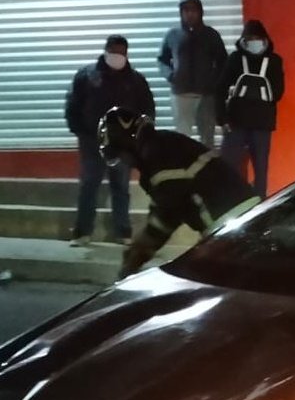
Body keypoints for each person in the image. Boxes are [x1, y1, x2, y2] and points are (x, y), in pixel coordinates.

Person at [98, 106, 258, 279]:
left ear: (126, 143)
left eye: (120, 153)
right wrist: (141, 249)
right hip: (242, 220)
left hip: (231, 225)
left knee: (195, 283)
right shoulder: (163, 145)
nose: (125, 162)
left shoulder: (158, 153)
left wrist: (139, 252)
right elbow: (169, 213)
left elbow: (168, 210)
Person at [64, 34, 155, 247]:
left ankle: (123, 231)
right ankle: (82, 232)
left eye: (122, 53)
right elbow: (73, 104)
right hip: (92, 140)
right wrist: (79, 130)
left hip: (122, 143)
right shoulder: (87, 76)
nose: (118, 56)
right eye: (114, 52)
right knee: (89, 185)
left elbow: (147, 108)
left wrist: (140, 134)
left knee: (121, 187)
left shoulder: (135, 80)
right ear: (106, 51)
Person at [218, 19, 285, 199]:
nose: (254, 41)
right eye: (250, 38)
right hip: (240, 123)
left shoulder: (273, 61)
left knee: (259, 169)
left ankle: (257, 205)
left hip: (256, 124)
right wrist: (221, 119)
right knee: (234, 168)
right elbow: (220, 89)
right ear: (244, 39)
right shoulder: (236, 59)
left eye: (257, 37)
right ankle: (237, 202)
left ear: (265, 39)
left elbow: (278, 92)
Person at [157, 0, 228, 148]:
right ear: (181, 13)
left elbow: (223, 61)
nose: (190, 13)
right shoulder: (173, 35)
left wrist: (213, 82)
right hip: (181, 95)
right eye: (186, 10)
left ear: (200, 12)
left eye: (194, 10)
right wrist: (170, 75)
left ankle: (208, 171)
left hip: (206, 95)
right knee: (181, 139)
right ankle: (184, 170)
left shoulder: (211, 35)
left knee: (207, 138)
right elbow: (162, 59)